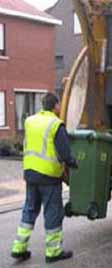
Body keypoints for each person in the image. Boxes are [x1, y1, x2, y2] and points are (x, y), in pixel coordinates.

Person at [11, 93, 78, 264]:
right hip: (48, 176)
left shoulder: (30, 121)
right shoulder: (56, 124)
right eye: (59, 104)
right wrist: (73, 162)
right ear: (55, 105)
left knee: (29, 209)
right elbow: (64, 152)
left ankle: (19, 248)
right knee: (53, 212)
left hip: (30, 173)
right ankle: (53, 251)